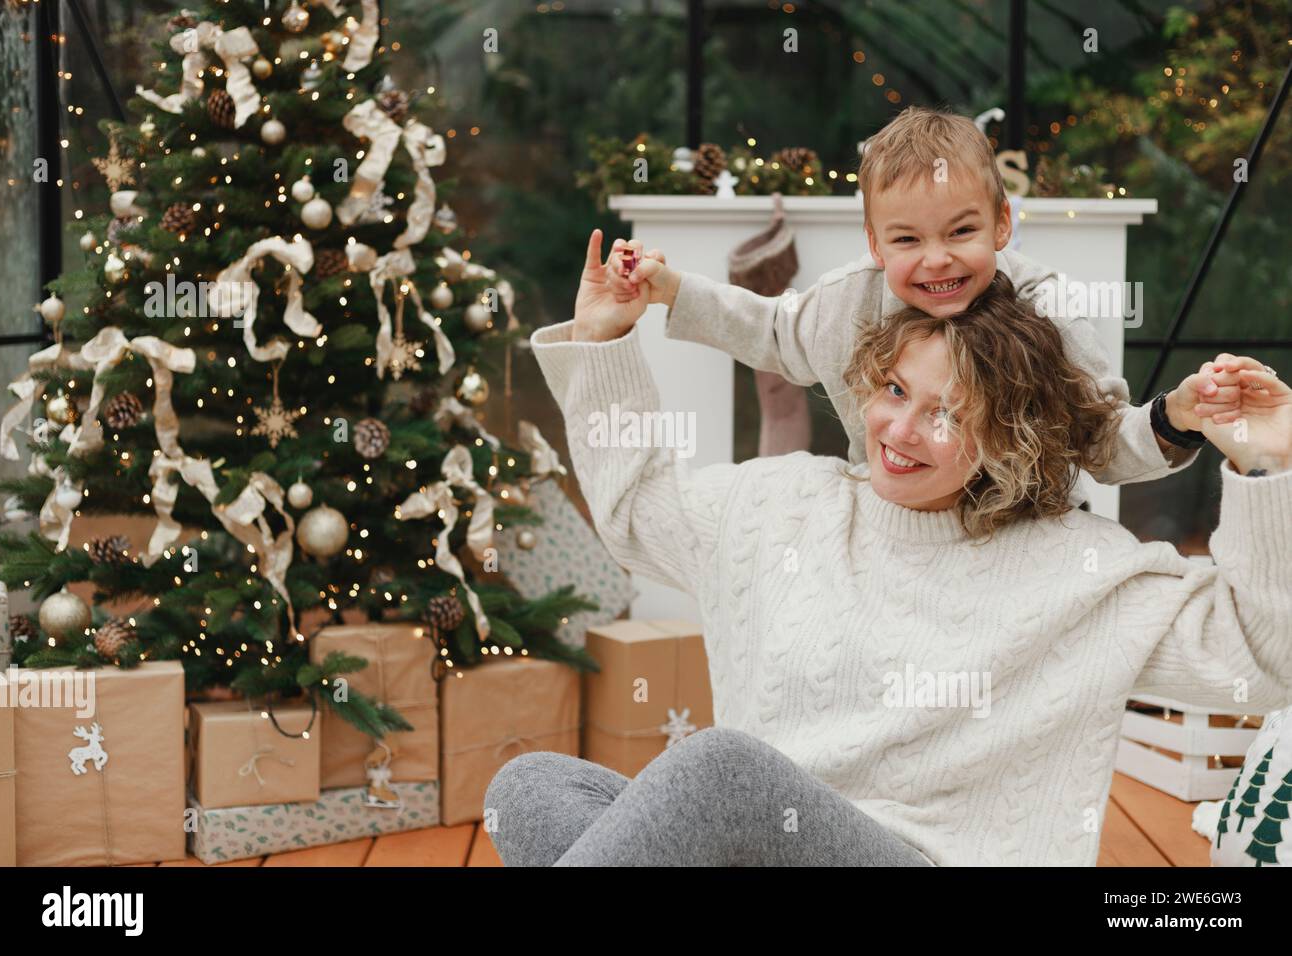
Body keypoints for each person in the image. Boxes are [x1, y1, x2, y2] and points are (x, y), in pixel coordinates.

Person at [482, 231, 1292, 866]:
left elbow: (1261, 662)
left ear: (1008, 441)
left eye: (947, 414)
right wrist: (601, 341)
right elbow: (637, 517)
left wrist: (1268, 468)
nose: (900, 431)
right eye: (896, 391)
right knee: (535, 784)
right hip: (772, 849)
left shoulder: (1078, 569)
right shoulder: (785, 505)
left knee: (725, 771)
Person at [606, 106, 1215, 496]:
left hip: (1022, 537)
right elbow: (769, 331)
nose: (936, 258)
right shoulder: (849, 301)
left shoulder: (1048, 309)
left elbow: (1100, 441)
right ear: (874, 242)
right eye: (906, 239)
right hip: (889, 526)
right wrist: (670, 289)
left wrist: (1173, 420)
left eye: (960, 232)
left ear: (1002, 225)